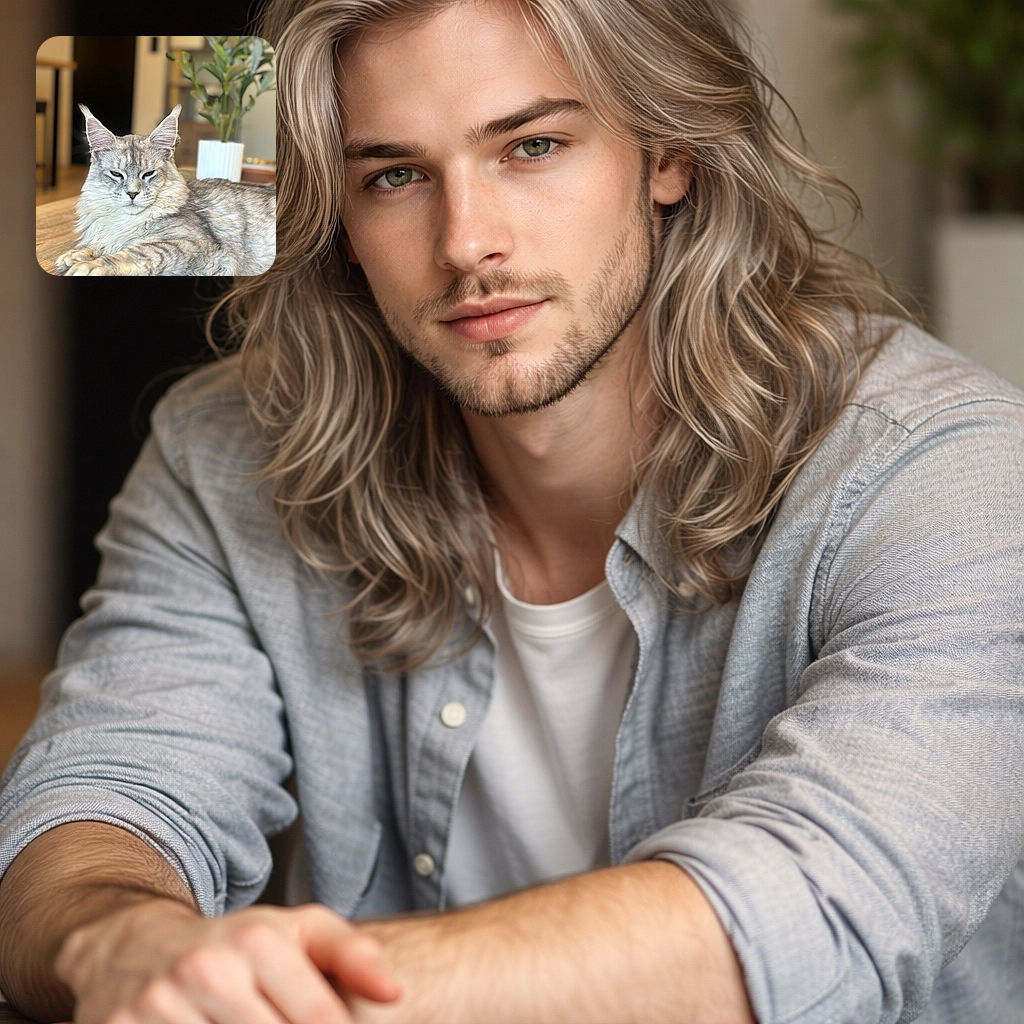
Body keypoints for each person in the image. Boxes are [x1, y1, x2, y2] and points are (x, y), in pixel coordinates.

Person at [1, 0, 1021, 1021]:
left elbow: (810, 906)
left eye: (531, 146)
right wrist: (126, 939)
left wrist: (290, 995)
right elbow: (99, 797)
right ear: (343, 223)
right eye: (393, 175)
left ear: (666, 154)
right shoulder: (224, 450)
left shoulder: (947, 469)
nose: (466, 242)